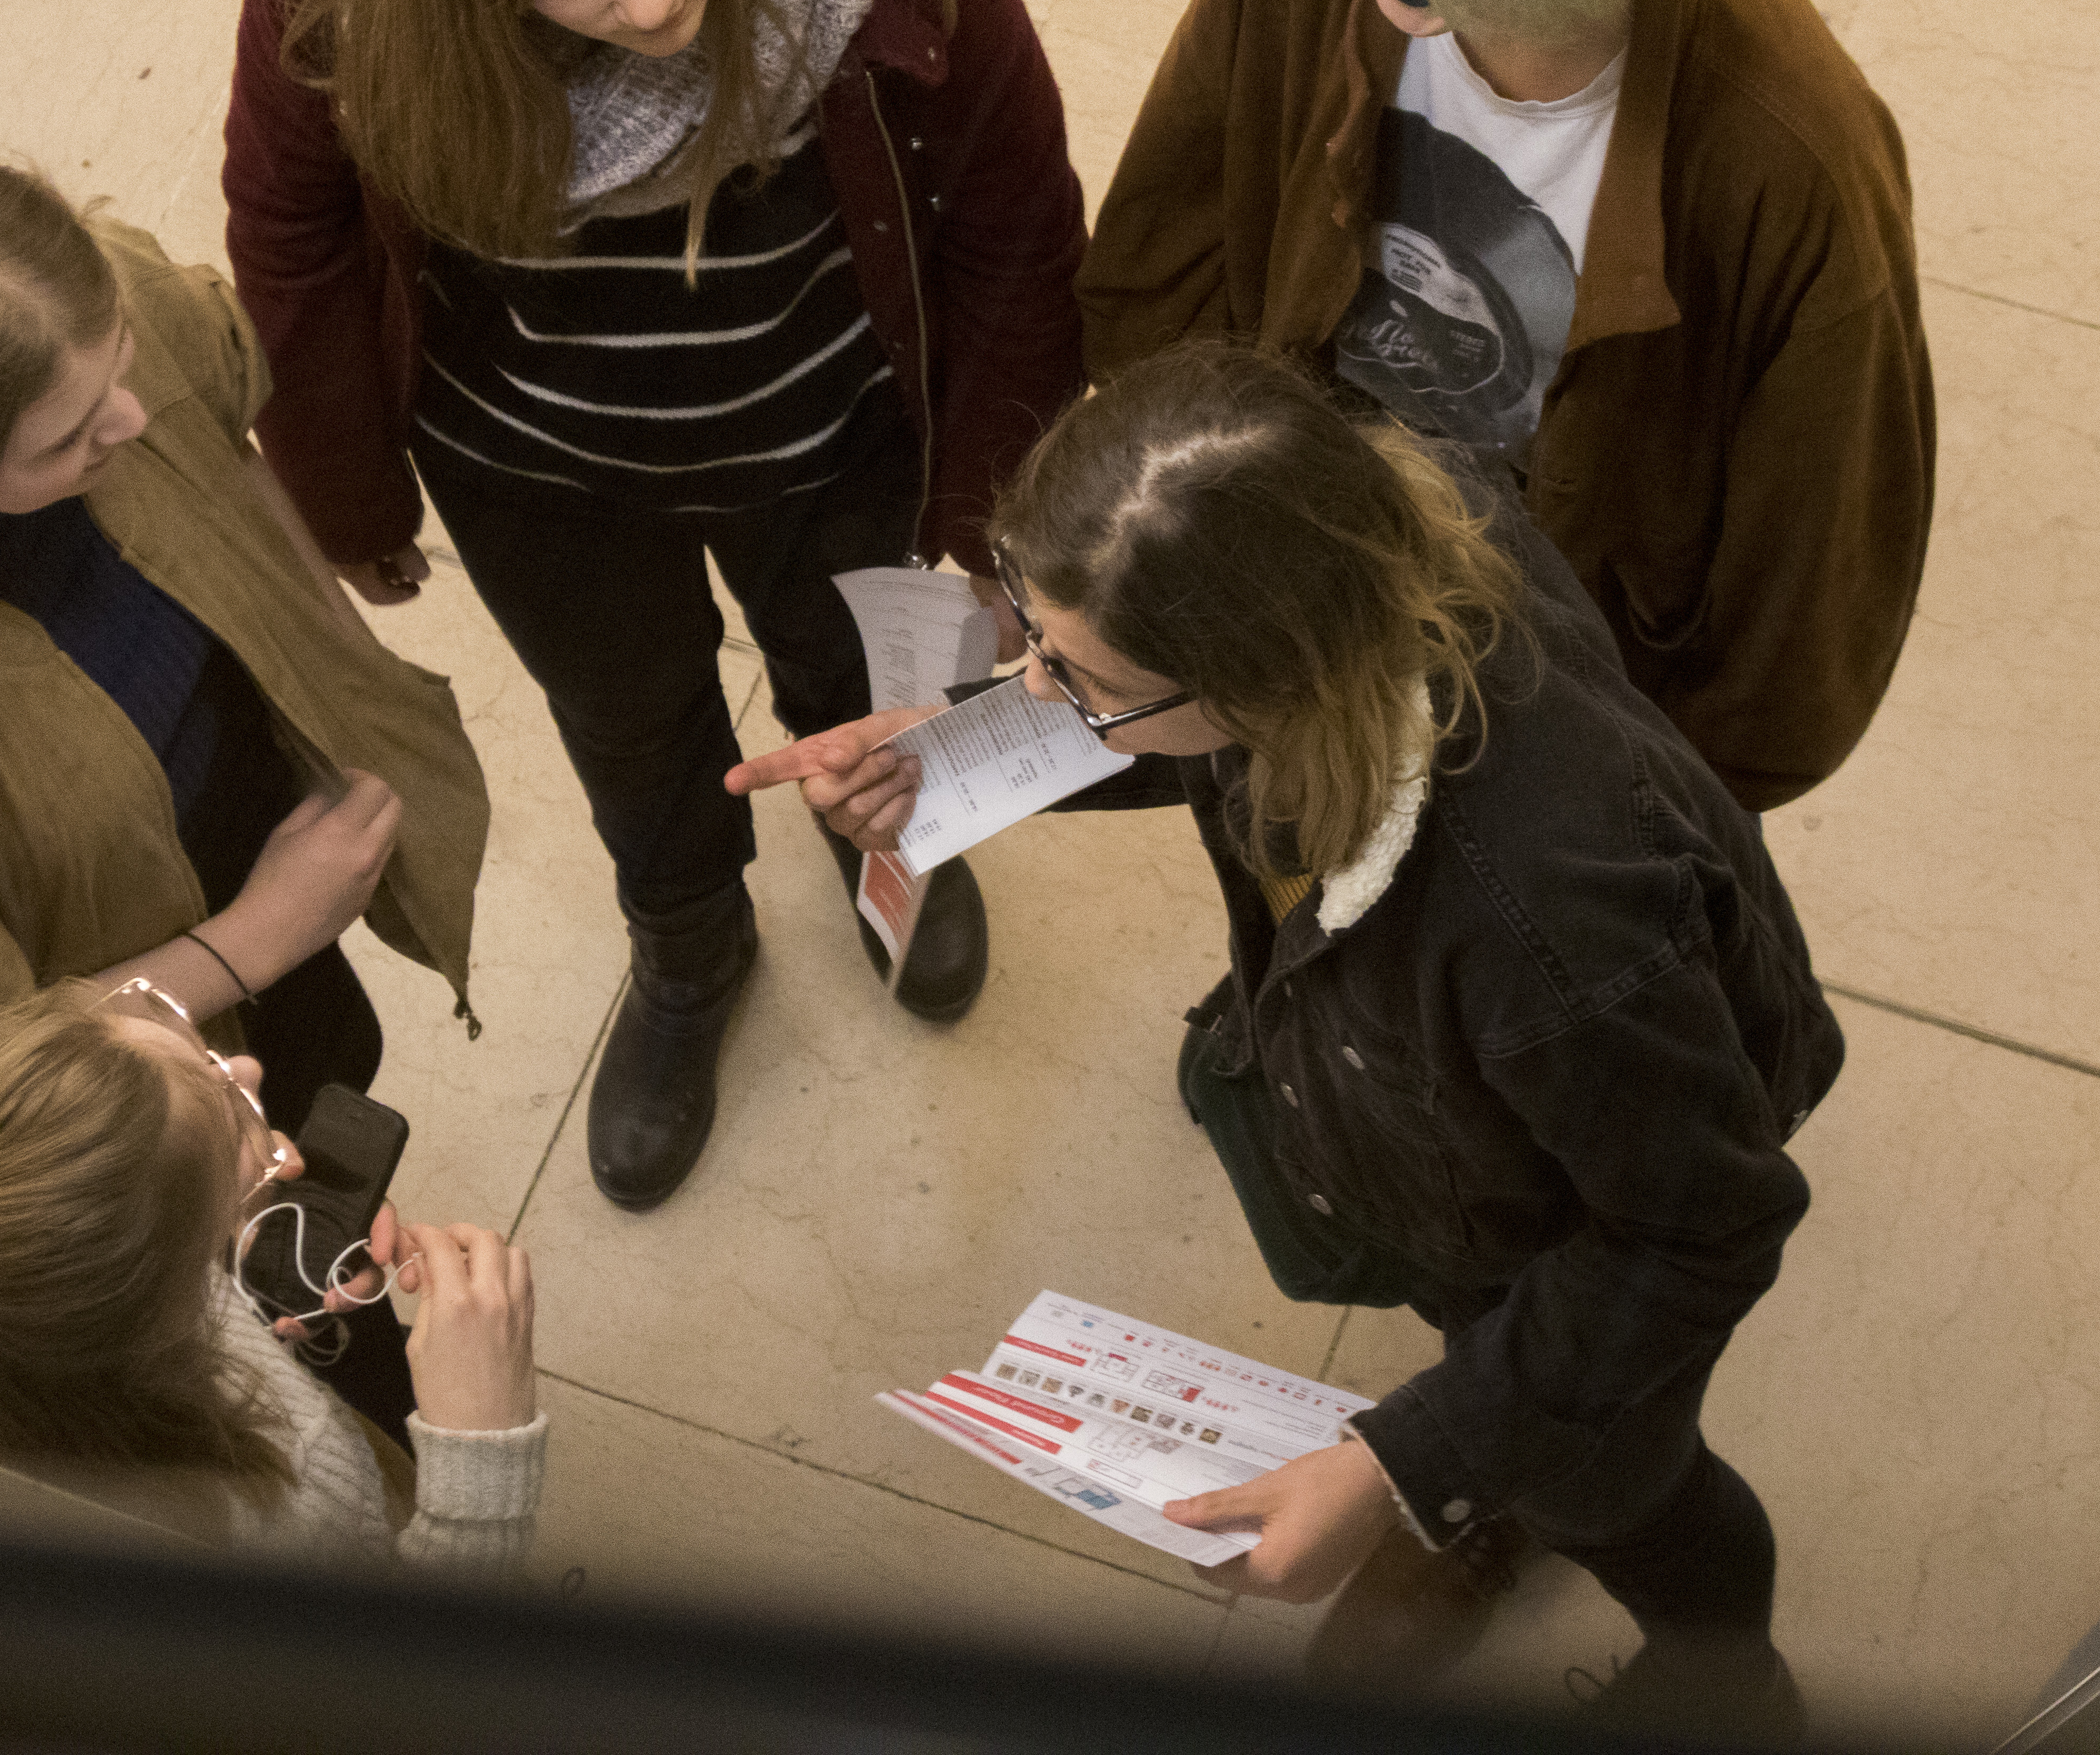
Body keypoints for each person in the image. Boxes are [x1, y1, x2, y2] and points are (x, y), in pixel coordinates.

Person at [730, 349, 1839, 1737]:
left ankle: (1722, 1677)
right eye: (1036, 642)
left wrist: (1399, 1460)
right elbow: (1182, 728)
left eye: (1078, 678)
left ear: (1270, 675)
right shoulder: (1361, 536)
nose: (1037, 684)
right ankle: (1504, 1452)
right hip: (1462, 1115)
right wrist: (951, 753)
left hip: (1566, 1191)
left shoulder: (1550, 930)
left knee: (1616, 1476)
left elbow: (1701, 1230)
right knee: (1505, 1366)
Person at [223, 0, 1088, 1211]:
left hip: (833, 429)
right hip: (539, 466)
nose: (646, 7)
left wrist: (992, 497)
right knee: (630, 727)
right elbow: (291, 235)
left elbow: (1019, 204)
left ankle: (892, 843)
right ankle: (689, 943)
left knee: (856, 676)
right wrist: (344, 487)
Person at [0, 140, 488, 1441]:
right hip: (112, 1082)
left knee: (320, 1088)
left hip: (219, 858)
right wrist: (256, 936)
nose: (128, 419)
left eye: (117, 364)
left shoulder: (78, 320)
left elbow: (225, 446)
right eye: (66, 437)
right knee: (256, 1340)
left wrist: (332, 657)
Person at [1078, 0, 1931, 813]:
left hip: (1558, 718)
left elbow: (1804, 618)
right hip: (1298, 608)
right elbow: (1156, 283)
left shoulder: (1792, 165)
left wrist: (1623, 808)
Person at [0, 981, 544, 1568]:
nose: (244, 1064)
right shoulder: (275, 1507)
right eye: (232, 1101)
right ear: (167, 1317)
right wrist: (481, 1464)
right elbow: (390, 1693)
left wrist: (227, 1232)